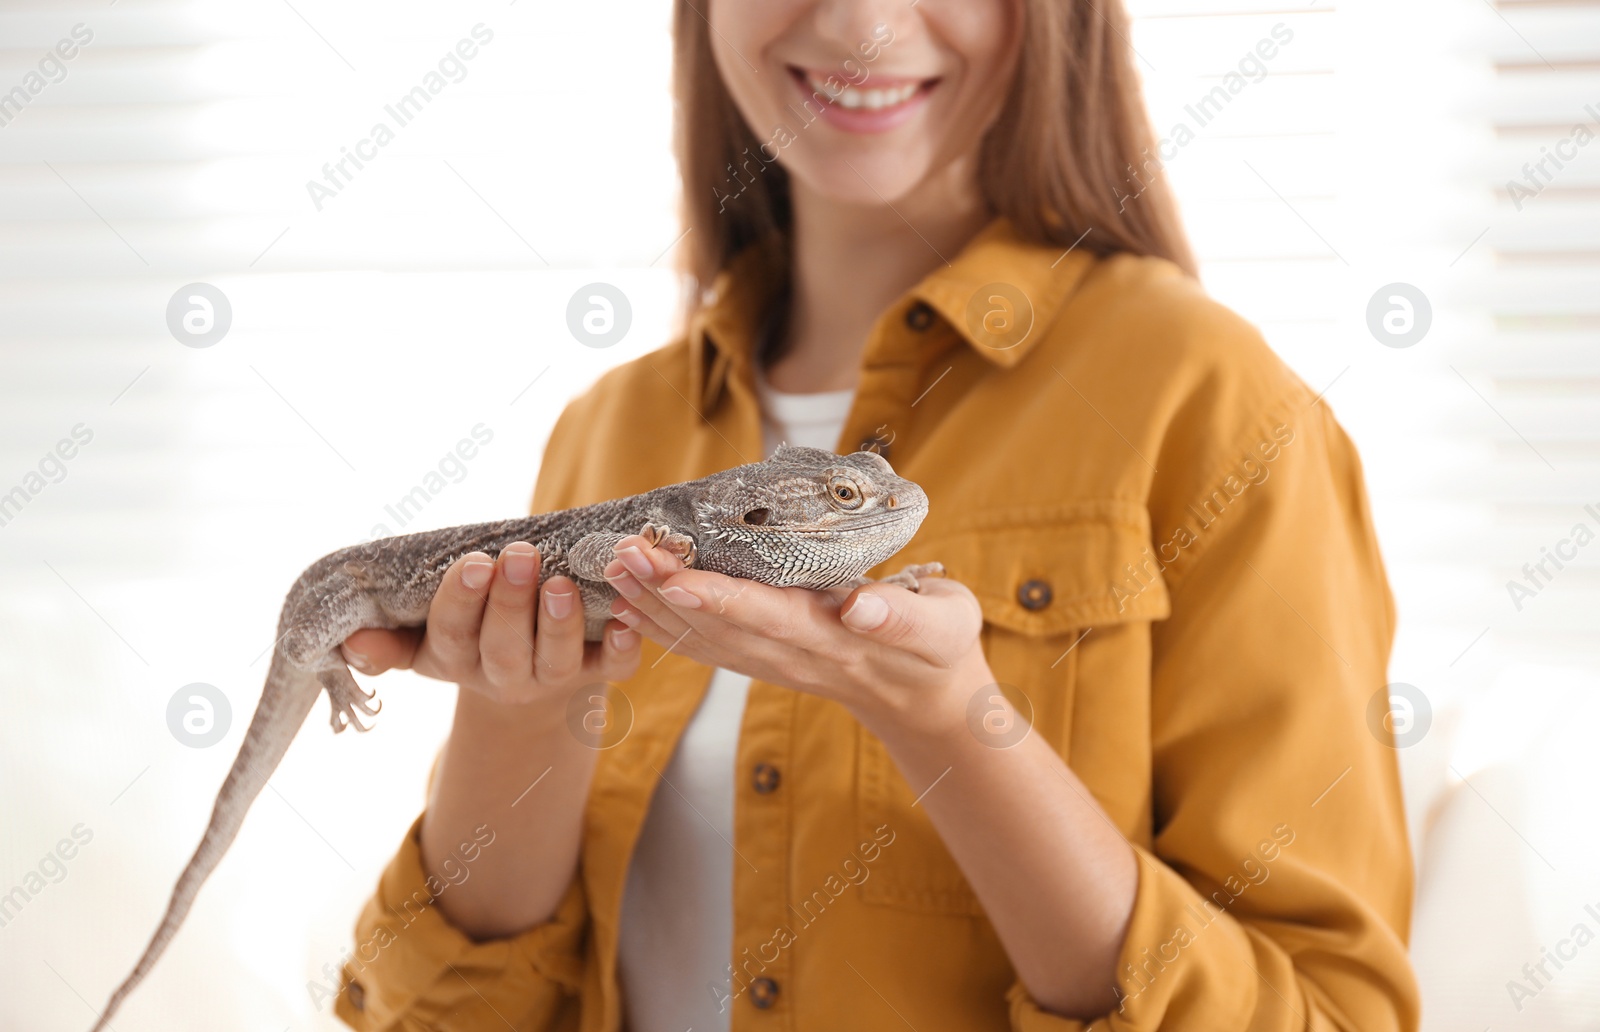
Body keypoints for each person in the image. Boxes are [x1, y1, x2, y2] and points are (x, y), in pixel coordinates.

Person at [332, 1, 1419, 1029]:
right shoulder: (608, 431)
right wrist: (519, 710)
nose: (860, 24)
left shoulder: (1213, 403)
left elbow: (1327, 1012)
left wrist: (949, 723)